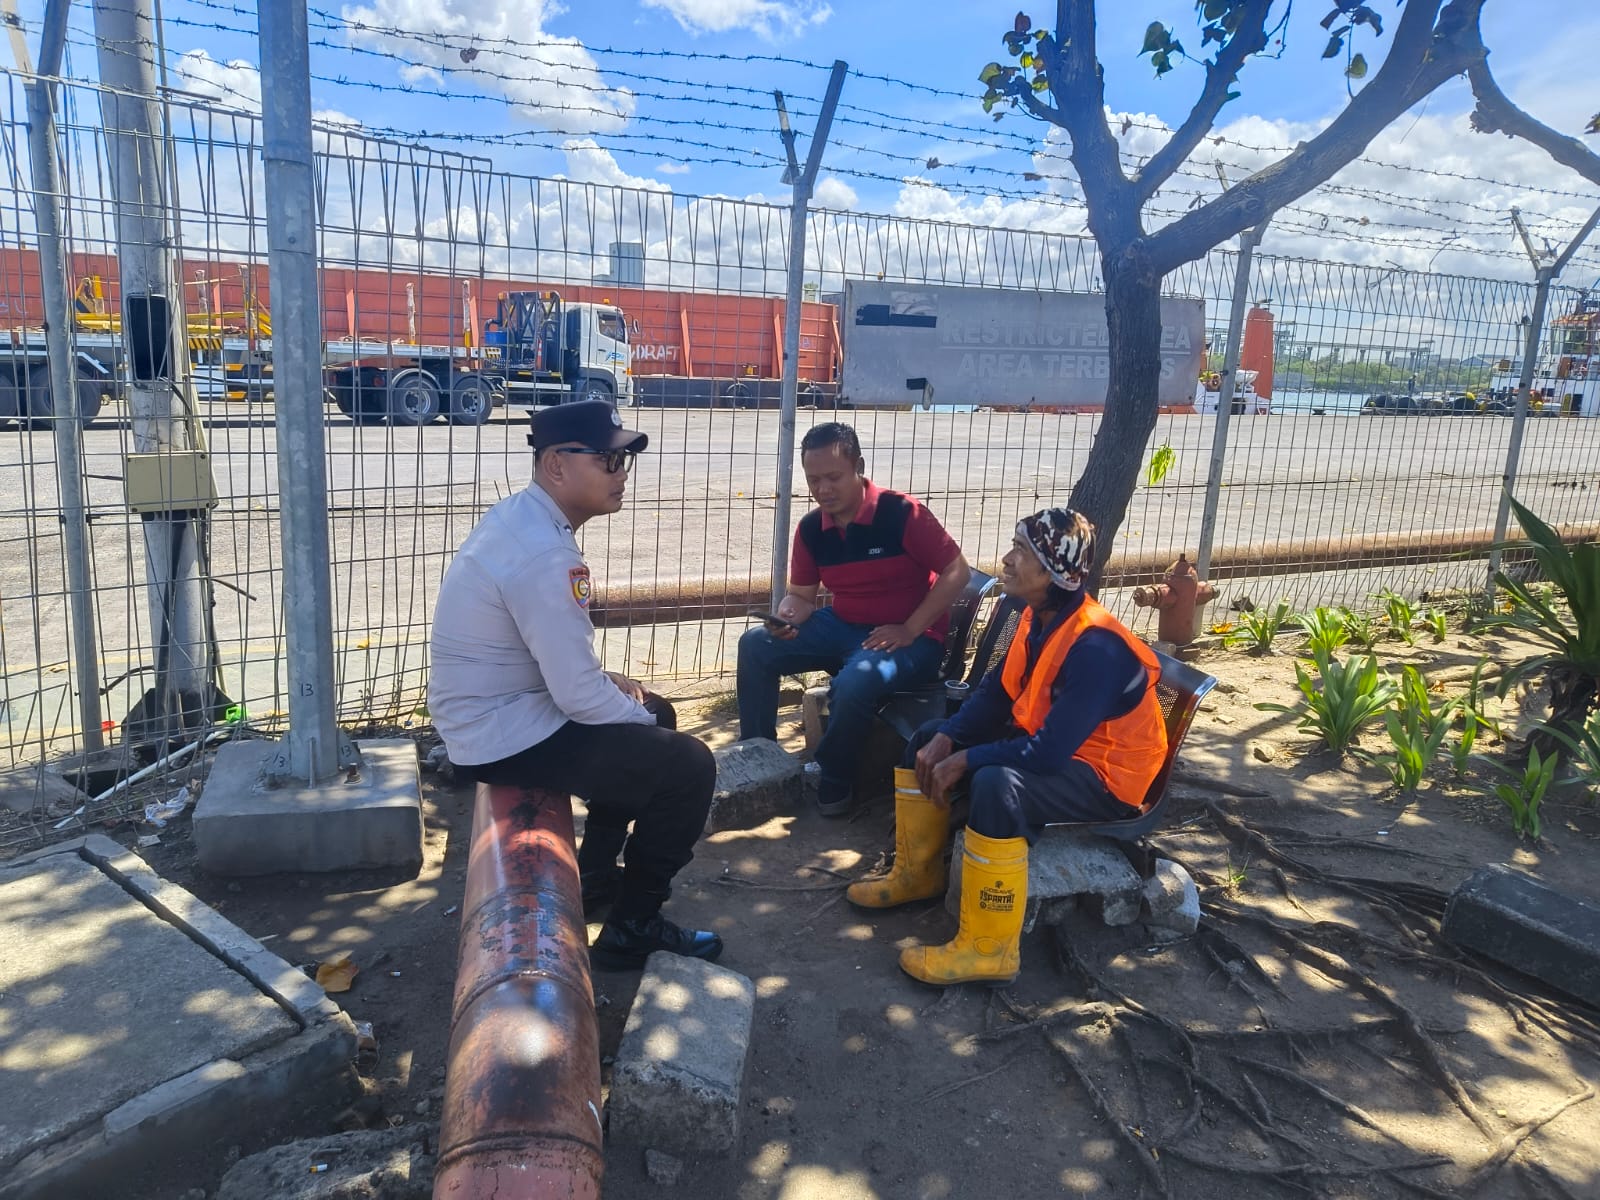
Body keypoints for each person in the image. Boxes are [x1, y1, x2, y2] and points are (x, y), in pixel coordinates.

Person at [428, 400, 722, 972]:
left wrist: (628, 702)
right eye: (608, 460)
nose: (621, 473)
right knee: (689, 766)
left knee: (654, 714)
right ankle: (634, 927)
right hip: (500, 733)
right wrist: (636, 716)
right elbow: (579, 698)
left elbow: (557, 664)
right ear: (556, 465)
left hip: (498, 711)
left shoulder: (526, 519)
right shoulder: (544, 554)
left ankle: (594, 876)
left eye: (624, 461)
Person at [846, 507, 1167, 987]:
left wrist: (968, 758)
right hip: (1059, 751)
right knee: (928, 736)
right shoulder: (1039, 617)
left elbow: (1047, 756)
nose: (1007, 559)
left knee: (999, 784)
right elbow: (996, 694)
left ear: (1053, 570)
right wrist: (950, 737)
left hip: (1107, 780)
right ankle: (917, 875)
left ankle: (988, 951)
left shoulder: (1096, 649)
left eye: (1022, 551)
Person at [737, 422, 971, 816]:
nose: (823, 489)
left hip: (913, 638)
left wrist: (910, 628)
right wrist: (788, 616)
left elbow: (957, 571)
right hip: (843, 625)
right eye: (814, 480)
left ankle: (834, 779)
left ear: (858, 467)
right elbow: (802, 596)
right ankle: (760, 758)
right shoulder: (812, 529)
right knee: (756, 645)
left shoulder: (902, 513)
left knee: (854, 682)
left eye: (833, 477)